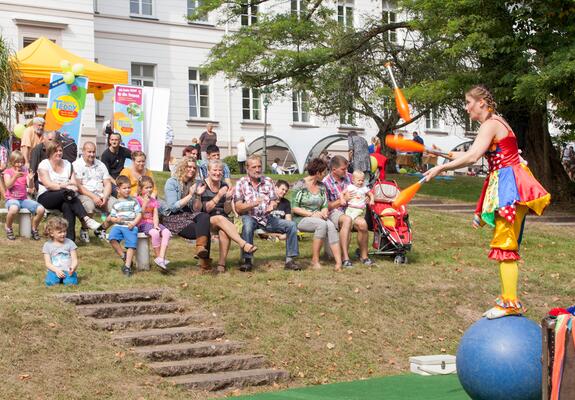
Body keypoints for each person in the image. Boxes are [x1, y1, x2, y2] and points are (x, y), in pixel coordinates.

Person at [424, 85, 551, 319]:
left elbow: (472, 156)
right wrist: (443, 155)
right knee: (507, 243)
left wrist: (441, 168)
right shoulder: (498, 122)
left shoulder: (490, 124)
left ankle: (510, 303)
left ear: (481, 102)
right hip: (510, 184)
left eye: (468, 102)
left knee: (505, 244)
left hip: (509, 186)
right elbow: (473, 152)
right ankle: (508, 298)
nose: (466, 108)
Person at [234, 155, 301, 272]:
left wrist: (272, 206)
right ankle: (247, 260)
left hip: (267, 218)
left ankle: (290, 260)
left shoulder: (268, 181)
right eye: (254, 167)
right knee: (248, 226)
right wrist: (253, 204)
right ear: (247, 168)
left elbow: (274, 201)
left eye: (259, 166)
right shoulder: (241, 183)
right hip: (249, 216)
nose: (257, 169)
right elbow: (238, 208)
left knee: (291, 225)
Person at [199, 159, 258, 273]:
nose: (217, 173)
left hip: (222, 219)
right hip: (205, 219)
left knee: (224, 230)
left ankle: (221, 264)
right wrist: (219, 195)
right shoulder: (202, 185)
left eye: (220, 170)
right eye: (214, 170)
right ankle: (243, 243)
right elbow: (206, 208)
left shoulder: (225, 185)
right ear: (208, 171)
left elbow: (226, 211)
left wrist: (227, 199)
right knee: (221, 219)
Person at [37, 141, 101, 241]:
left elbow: (74, 184)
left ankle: (70, 239)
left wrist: (69, 186)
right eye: (56, 151)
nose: (59, 153)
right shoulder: (44, 164)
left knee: (67, 205)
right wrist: (65, 185)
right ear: (50, 152)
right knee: (66, 193)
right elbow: (48, 185)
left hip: (66, 197)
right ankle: (85, 218)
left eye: (60, 150)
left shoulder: (68, 164)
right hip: (46, 196)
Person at [162, 157, 213, 271]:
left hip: (188, 215)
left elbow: (196, 209)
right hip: (173, 217)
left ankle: (200, 248)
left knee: (204, 217)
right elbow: (172, 207)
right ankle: (204, 263)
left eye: (194, 168)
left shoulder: (193, 183)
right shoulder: (172, 182)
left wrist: (198, 195)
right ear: (182, 167)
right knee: (204, 231)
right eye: (188, 167)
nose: (191, 169)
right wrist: (190, 195)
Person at [292, 158, 342, 270]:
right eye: (324, 172)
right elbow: (294, 208)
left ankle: (339, 262)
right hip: (301, 218)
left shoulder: (321, 186)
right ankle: (315, 260)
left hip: (318, 217)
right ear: (318, 173)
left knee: (330, 225)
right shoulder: (300, 185)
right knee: (322, 225)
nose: (325, 175)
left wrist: (324, 212)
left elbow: (324, 205)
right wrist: (311, 214)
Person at [323, 155, 373, 268]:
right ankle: (345, 258)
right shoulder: (326, 182)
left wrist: (367, 197)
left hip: (354, 210)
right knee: (347, 220)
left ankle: (364, 256)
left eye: (346, 168)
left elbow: (363, 189)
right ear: (334, 169)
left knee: (363, 224)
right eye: (343, 169)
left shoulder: (351, 177)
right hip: (336, 212)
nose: (346, 171)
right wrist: (342, 200)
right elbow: (326, 206)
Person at [74, 141, 115, 243]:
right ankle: (84, 229)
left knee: (118, 207)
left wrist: (105, 197)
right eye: (89, 152)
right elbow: (79, 186)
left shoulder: (101, 165)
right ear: (83, 151)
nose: (92, 154)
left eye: (94, 152)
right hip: (84, 194)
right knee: (89, 206)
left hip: (101, 194)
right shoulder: (76, 165)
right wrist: (94, 197)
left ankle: (101, 229)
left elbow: (108, 183)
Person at [3, 150, 45, 240]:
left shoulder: (25, 171)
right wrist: (15, 176)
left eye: (22, 162)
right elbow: (8, 185)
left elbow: (31, 189)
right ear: (12, 162)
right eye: (17, 162)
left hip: (23, 199)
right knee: (14, 209)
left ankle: (33, 229)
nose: (20, 164)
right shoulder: (8, 172)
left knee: (41, 209)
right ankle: (8, 227)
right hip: (11, 199)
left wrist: (30, 179)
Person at [106, 175, 142, 277]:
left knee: (131, 245)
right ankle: (124, 255)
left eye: (129, 188)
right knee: (112, 238)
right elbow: (111, 217)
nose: (127, 190)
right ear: (118, 189)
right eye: (124, 188)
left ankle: (127, 267)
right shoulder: (116, 204)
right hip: (118, 226)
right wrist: (116, 220)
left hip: (130, 226)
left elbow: (139, 214)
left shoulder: (133, 201)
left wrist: (134, 223)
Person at [136, 176, 171, 272]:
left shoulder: (153, 201)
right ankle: (159, 257)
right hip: (142, 223)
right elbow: (139, 214)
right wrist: (145, 203)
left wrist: (156, 225)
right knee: (155, 233)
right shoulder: (137, 200)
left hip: (152, 223)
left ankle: (161, 258)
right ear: (141, 189)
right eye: (146, 188)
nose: (149, 190)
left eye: (150, 187)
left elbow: (155, 215)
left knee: (167, 232)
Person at [43, 217, 78, 286]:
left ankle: (69, 279)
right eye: (60, 232)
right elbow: (48, 263)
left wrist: (73, 267)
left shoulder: (70, 243)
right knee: (50, 283)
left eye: (64, 231)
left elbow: (75, 259)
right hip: (54, 271)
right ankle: (55, 279)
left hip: (68, 271)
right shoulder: (47, 245)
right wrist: (56, 270)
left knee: (71, 283)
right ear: (52, 233)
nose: (63, 234)